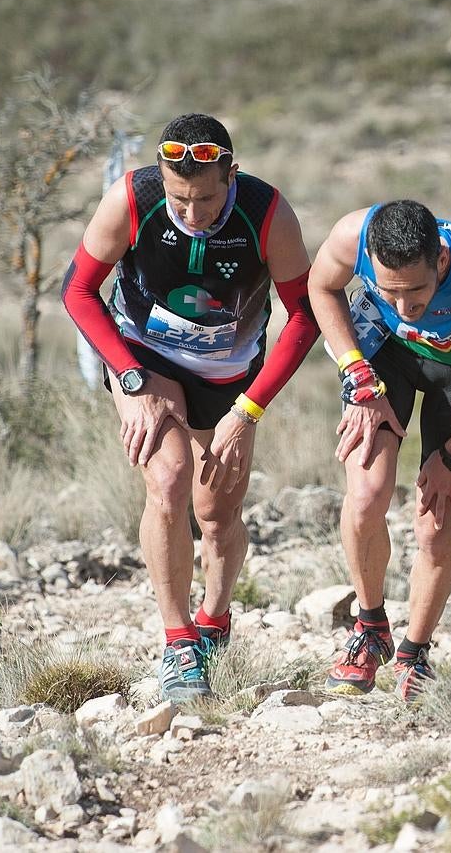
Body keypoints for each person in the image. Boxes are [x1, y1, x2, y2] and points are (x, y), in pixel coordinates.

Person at [61, 114, 319, 702]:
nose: (193, 214)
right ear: (161, 179)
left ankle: (214, 620)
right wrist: (128, 379)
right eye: (180, 198)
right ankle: (178, 643)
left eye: (205, 198)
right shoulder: (132, 198)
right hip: (146, 359)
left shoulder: (267, 214)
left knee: (217, 512)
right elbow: (77, 290)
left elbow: (303, 315)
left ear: (231, 174)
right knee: (170, 481)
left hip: (229, 374)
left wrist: (248, 409)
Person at [306, 200, 451, 702]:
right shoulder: (350, 235)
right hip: (387, 355)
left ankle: (414, 653)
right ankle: (370, 627)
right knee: (366, 496)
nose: (406, 306)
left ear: (442, 264)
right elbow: (321, 287)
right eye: (389, 291)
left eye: (418, 291)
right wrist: (356, 372)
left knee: (436, 519)